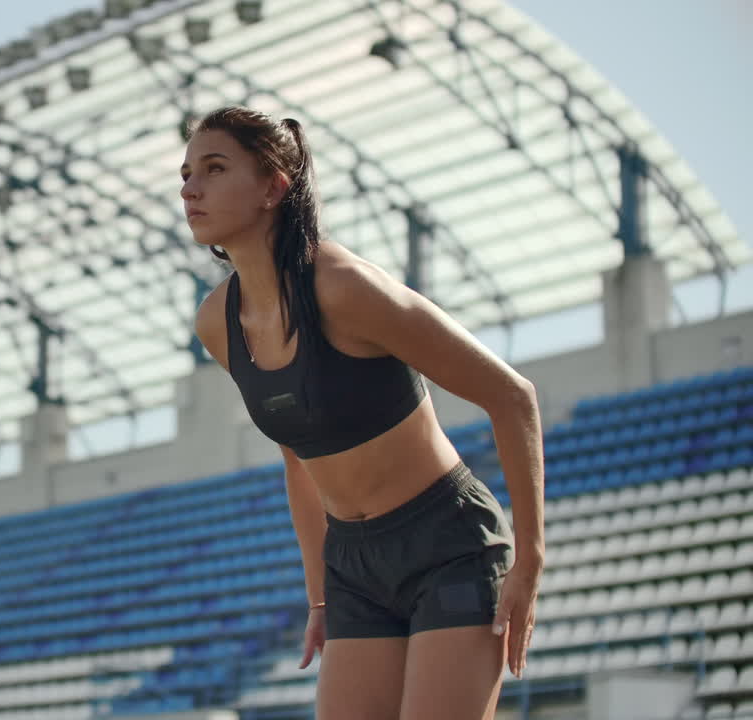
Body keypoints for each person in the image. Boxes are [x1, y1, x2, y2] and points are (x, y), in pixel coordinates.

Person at [186, 106, 545, 719]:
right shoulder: (216, 323)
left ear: (274, 185)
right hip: (352, 565)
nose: (192, 188)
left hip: (447, 541)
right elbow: (298, 461)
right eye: (187, 174)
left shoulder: (345, 288)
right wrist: (320, 599)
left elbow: (512, 397)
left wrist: (530, 562)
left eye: (215, 169)